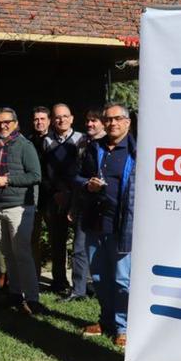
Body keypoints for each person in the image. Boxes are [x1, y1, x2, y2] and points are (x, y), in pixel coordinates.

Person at [76, 103, 135, 347]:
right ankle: (107, 320)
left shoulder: (137, 151)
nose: (112, 123)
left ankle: (124, 327)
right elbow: (76, 175)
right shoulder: (94, 148)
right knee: (100, 277)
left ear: (127, 122)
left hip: (122, 224)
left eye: (117, 119)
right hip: (95, 222)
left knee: (122, 279)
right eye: (108, 119)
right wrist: (86, 184)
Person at [0, 107, 43, 316]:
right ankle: (15, 293)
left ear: (15, 123)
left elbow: (35, 175)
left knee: (22, 253)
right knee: (7, 253)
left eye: (7, 122)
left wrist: (8, 180)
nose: (3, 125)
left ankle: (33, 299)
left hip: (19, 206)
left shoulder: (25, 145)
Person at [62, 108, 106, 303]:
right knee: (79, 248)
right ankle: (78, 290)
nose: (89, 124)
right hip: (83, 203)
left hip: (107, 207)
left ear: (104, 123)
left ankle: (102, 288)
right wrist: (73, 205)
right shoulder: (82, 143)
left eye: (94, 121)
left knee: (106, 250)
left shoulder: (113, 145)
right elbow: (76, 176)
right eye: (88, 120)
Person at [41, 104, 84, 295]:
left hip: (76, 198)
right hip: (55, 197)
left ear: (72, 118)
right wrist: (56, 192)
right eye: (57, 117)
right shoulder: (46, 141)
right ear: (53, 119)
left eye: (65, 116)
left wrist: (70, 193)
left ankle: (79, 286)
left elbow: (84, 169)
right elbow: (44, 171)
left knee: (79, 246)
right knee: (57, 243)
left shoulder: (82, 139)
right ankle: (59, 282)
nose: (61, 120)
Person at [29, 106, 51, 284]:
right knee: (32, 241)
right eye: (36, 119)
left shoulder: (55, 141)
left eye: (43, 119)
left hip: (53, 197)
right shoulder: (28, 142)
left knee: (57, 242)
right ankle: (34, 278)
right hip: (34, 199)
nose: (39, 122)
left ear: (49, 121)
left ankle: (60, 281)